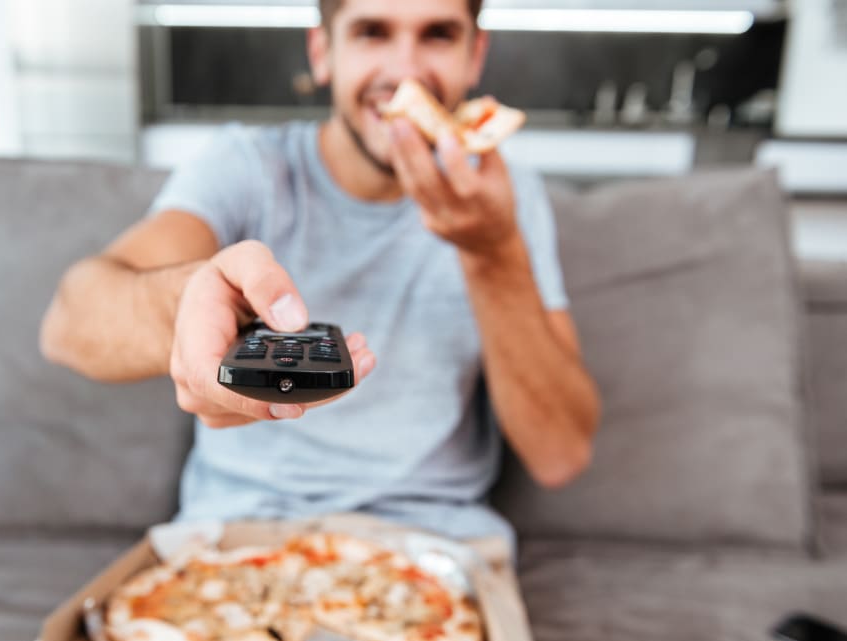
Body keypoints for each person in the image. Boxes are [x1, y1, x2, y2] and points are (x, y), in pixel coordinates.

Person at [40, 0, 600, 548]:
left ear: (475, 55)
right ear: (322, 51)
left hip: (433, 547)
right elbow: (68, 324)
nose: (405, 71)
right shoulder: (248, 168)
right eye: (372, 32)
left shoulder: (506, 197)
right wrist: (189, 302)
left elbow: (561, 455)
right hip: (237, 534)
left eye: (437, 34)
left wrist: (491, 251)